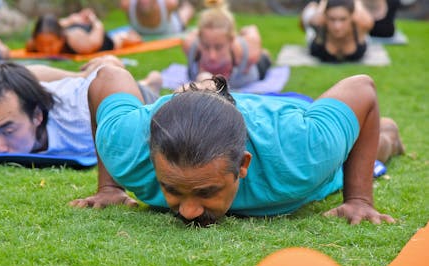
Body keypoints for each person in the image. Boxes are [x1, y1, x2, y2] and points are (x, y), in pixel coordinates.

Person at [69, 63, 405, 227]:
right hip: (190, 109)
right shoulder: (126, 147)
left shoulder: (303, 153)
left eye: (205, 191)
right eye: (171, 188)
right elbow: (108, 77)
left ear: (242, 166)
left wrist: (359, 198)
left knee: (372, 146)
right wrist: (109, 185)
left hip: (282, 121)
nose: (188, 212)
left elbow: (361, 88)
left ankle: (388, 133)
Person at [0, 55, 162, 155]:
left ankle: (151, 82)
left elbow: (113, 76)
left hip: (129, 97)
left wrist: (87, 74)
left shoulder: (81, 119)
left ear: (37, 116)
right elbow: (16, 74)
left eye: (9, 130)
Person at [182, 0, 272, 89]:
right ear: (199, 39)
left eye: (219, 47)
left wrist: (244, 31)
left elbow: (252, 29)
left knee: (265, 57)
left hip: (253, 68)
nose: (212, 56)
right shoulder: (190, 46)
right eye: (206, 46)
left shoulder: (249, 53)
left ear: (231, 41)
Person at [26, 8, 142, 55]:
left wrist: (94, 21)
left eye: (51, 44)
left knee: (130, 40)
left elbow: (97, 38)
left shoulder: (78, 42)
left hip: (100, 39)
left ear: (61, 39)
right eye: (41, 45)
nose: (46, 49)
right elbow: (55, 24)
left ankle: (123, 35)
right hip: (75, 26)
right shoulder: (34, 43)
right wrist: (72, 19)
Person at [301, 0, 374, 62]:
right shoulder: (319, 22)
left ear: (352, 17)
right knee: (310, 11)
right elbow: (315, 20)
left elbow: (367, 20)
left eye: (343, 19)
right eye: (332, 19)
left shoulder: (360, 24)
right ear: (325, 17)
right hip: (316, 33)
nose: (337, 26)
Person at [120, 0, 195, 36]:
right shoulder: (126, 5)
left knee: (184, 16)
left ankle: (187, 6)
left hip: (174, 27)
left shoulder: (170, 3)